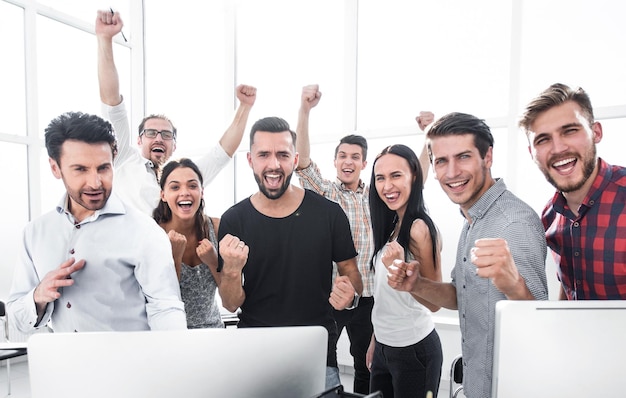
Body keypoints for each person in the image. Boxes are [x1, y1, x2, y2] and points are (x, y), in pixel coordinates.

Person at [387, 112, 548, 398]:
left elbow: (540, 325)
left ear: (488, 157)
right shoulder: (474, 218)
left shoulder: (513, 223)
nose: (451, 172)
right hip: (477, 384)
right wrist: (416, 285)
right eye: (441, 161)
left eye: (463, 157)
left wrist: (514, 286)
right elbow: (462, 296)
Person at [295, 84, 434, 394]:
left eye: (355, 157)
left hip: (370, 297)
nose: (348, 161)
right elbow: (301, 161)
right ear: (334, 162)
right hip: (334, 294)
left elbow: (415, 179)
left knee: (365, 365)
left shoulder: (377, 196)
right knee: (323, 361)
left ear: (363, 163)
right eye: (342, 155)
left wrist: (429, 138)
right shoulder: (326, 193)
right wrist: (304, 110)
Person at [217, 116, 364, 389]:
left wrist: (350, 295)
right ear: (250, 160)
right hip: (255, 352)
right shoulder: (233, 220)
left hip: (317, 353)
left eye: (283, 155)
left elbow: (351, 273)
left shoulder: (329, 214)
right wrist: (232, 270)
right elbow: (230, 303)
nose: (274, 164)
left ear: (295, 160)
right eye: (264, 155)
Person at [7, 111, 187, 333]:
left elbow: (166, 308)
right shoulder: (35, 233)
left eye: (103, 168)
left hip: (132, 365)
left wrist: (174, 359)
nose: (95, 183)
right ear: (55, 168)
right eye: (80, 169)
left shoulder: (144, 231)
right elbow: (15, 320)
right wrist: (38, 295)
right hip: (64, 365)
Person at [96, 9, 256, 214]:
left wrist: (244, 106)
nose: (159, 138)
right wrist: (105, 39)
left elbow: (222, 153)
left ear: (175, 144)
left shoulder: (185, 177)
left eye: (166, 134)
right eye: (151, 133)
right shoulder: (124, 160)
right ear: (139, 140)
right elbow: (113, 105)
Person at [519, 83, 626, 300]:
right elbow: (570, 292)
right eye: (543, 139)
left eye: (570, 131)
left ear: (596, 132)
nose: (558, 148)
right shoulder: (550, 214)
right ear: (532, 153)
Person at [366, 144, 443, 398]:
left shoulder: (418, 228)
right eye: (380, 178)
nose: (387, 186)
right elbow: (386, 297)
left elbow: (435, 303)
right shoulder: (391, 224)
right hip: (384, 348)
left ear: (414, 176)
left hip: (414, 350)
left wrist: (401, 272)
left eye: (396, 175)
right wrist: (376, 341)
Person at [153, 158, 224, 328]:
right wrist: (175, 258)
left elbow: (230, 296)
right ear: (163, 195)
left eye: (192, 186)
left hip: (213, 332)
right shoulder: (153, 234)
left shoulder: (216, 227)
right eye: (175, 187)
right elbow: (164, 301)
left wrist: (214, 261)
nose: (185, 192)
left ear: (202, 191)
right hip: (171, 334)